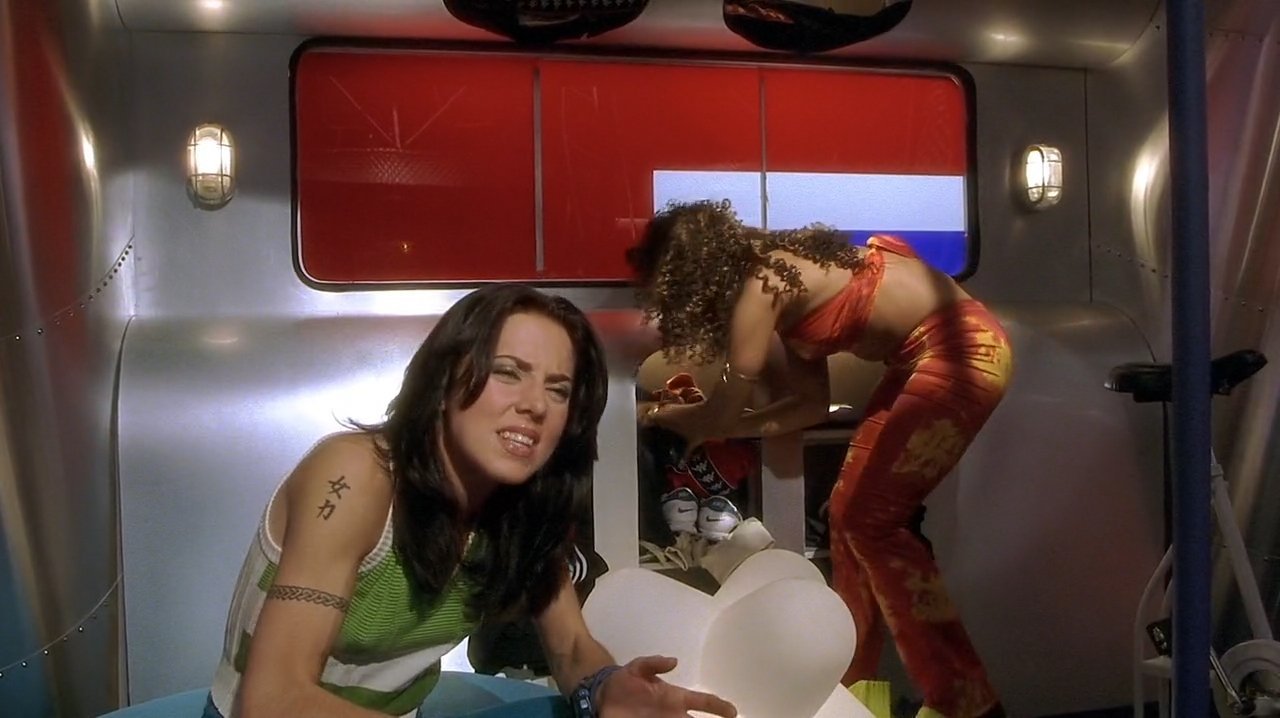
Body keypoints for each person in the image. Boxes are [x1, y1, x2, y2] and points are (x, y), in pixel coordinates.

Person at [206, 283, 738, 718]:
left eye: (557, 389)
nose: (535, 405)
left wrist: (605, 689)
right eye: (508, 372)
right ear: (444, 381)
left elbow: (571, 647)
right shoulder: (356, 476)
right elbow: (272, 701)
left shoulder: (522, 504)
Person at [626, 200, 1011, 718]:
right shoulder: (786, 286)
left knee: (867, 521)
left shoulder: (762, 282)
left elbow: (720, 408)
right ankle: (856, 687)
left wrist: (660, 414)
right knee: (847, 521)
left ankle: (966, 701)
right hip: (925, 357)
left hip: (964, 350)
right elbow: (805, 407)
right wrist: (721, 424)